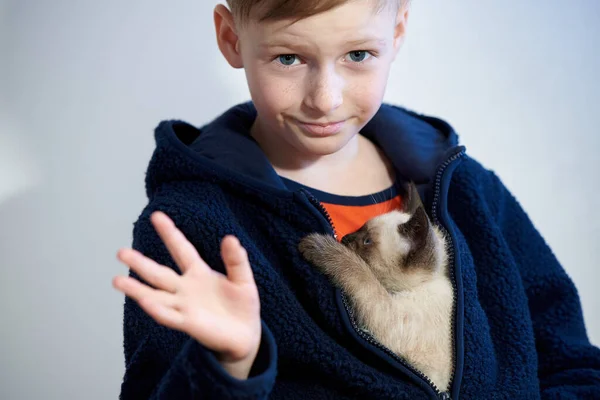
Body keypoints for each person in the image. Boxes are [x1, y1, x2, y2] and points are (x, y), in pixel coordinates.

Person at [111, 0, 600, 399]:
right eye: (289, 58)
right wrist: (230, 368)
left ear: (399, 30)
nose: (325, 98)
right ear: (231, 38)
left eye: (359, 55)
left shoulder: (464, 188)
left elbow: (570, 359)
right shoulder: (189, 225)